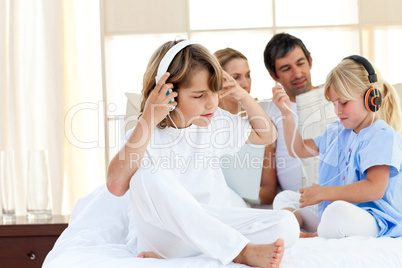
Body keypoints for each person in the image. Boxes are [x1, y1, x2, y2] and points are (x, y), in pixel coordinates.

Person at [106, 40, 299, 267]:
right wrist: (148, 116)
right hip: (167, 236)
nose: (211, 104)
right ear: (166, 94)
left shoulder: (214, 121)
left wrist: (242, 96)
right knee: (145, 176)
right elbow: (116, 186)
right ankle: (240, 251)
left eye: (214, 93)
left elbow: (267, 136)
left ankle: (200, 251)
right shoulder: (145, 132)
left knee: (287, 224)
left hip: (210, 225)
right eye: (199, 96)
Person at [272, 55, 402, 238]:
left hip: (370, 219)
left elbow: (374, 189)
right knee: (285, 198)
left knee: (338, 213)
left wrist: (323, 192)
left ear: (371, 98)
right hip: (331, 210)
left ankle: (312, 236)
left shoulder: (382, 136)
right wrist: (286, 113)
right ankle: (297, 229)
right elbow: (298, 149)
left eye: (344, 103)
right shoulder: (336, 131)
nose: (337, 110)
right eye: (334, 103)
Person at [261, 33, 326, 195]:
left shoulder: (334, 96)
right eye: (286, 69)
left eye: (300, 63)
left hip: (335, 190)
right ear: (274, 76)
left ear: (310, 62)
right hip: (297, 199)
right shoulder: (268, 110)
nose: (297, 74)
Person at [214, 47, 277, 204]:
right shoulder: (205, 120)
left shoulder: (260, 125)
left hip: (242, 205)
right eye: (236, 77)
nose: (245, 84)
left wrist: (238, 197)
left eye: (248, 75)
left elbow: (269, 191)